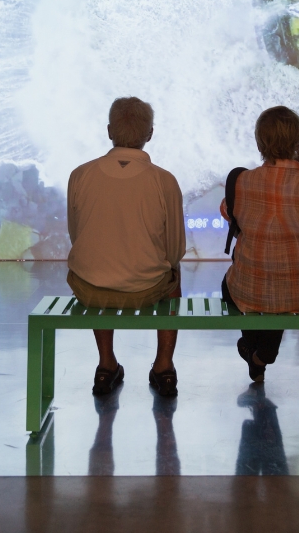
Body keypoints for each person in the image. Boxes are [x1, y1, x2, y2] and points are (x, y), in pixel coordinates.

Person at [67, 97, 186, 397]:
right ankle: (163, 366)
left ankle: (106, 365)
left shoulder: (80, 175)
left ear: (109, 131)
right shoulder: (164, 180)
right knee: (174, 273)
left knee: (95, 264)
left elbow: (76, 234)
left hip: (90, 287)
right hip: (146, 287)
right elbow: (175, 249)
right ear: (150, 133)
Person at [220, 106, 299, 382]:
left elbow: (229, 215)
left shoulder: (243, 181)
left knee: (234, 286)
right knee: (279, 293)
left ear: (260, 143)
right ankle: (260, 357)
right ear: (297, 142)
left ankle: (258, 354)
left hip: (252, 289)